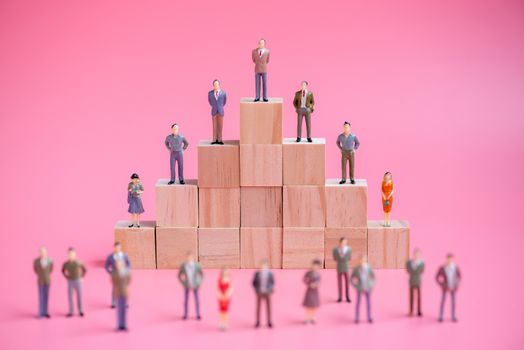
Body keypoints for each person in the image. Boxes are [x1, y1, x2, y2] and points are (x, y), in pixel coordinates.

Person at [104, 242, 131, 308]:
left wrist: (126, 270)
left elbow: (129, 263)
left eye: (119, 247)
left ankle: (125, 302)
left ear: (120, 247)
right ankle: (114, 303)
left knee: (124, 289)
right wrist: (110, 272)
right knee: (114, 289)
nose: (117, 249)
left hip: (123, 274)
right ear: (114, 248)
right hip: (115, 274)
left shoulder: (124, 255)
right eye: (116, 247)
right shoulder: (111, 257)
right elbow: (106, 266)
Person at [61, 247, 87, 317]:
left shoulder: (78, 262)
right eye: (69, 254)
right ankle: (71, 311)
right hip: (70, 281)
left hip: (78, 280)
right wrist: (66, 277)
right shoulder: (66, 264)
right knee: (70, 296)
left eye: (72, 254)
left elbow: (84, 270)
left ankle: (81, 310)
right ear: (68, 255)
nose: (71, 255)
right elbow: (62, 270)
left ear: (75, 254)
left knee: (79, 295)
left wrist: (82, 277)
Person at [436, 253, 461, 322]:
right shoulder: (443, 268)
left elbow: (459, 277)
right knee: (443, 301)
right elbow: (437, 277)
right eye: (448, 259)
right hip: (445, 287)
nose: (449, 260)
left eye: (451, 259)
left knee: (453, 302)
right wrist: (442, 284)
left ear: (452, 260)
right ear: (446, 259)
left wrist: (457, 283)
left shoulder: (455, 267)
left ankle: (453, 316)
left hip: (453, 287)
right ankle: (441, 316)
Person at [350, 254, 375, 323]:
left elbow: (373, 277)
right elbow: (351, 278)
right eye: (360, 260)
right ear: (359, 260)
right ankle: (357, 318)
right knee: (358, 303)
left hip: (367, 287)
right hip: (360, 288)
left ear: (365, 260)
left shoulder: (368, 268)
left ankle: (369, 317)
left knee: (368, 303)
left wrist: (371, 285)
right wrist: (356, 286)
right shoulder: (356, 269)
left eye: (363, 260)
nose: (362, 261)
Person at [178, 252, 203, 320]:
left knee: (197, 300)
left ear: (192, 258)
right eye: (188, 257)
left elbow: (201, 274)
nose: (189, 259)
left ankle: (198, 314)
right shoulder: (184, 266)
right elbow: (179, 275)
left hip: (195, 285)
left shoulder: (197, 265)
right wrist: (183, 282)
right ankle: (185, 314)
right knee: (186, 300)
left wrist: (199, 282)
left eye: (190, 257)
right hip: (187, 285)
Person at [252, 259, 274, 328]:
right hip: (259, 292)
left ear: (267, 266)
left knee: (268, 307)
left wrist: (270, 290)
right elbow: (253, 282)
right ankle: (258, 322)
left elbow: (272, 282)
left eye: (265, 266)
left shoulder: (270, 274)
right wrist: (256, 290)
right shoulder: (257, 274)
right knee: (258, 308)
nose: (263, 267)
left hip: (267, 292)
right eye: (262, 266)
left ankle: (269, 321)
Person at [33, 246, 53, 319]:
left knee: (46, 297)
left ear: (46, 253)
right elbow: (35, 270)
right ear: (40, 253)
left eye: (44, 252)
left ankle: (46, 312)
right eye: (41, 252)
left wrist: (47, 275)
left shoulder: (50, 260)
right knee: (41, 297)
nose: (43, 253)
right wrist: (41, 275)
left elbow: (51, 269)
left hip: (47, 280)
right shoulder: (36, 261)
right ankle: (40, 312)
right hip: (40, 280)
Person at [112, 259, 131, 331]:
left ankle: (124, 324)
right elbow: (113, 282)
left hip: (125, 292)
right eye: (118, 264)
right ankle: (119, 325)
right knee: (119, 310)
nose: (119, 266)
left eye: (120, 264)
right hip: (118, 293)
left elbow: (129, 280)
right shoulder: (114, 273)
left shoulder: (126, 272)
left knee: (124, 310)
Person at [208, 79, 227, 145]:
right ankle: (214, 139)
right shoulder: (210, 93)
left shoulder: (223, 93)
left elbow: (224, 102)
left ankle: (220, 139)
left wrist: (220, 106)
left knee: (220, 125)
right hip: (214, 110)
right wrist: (214, 106)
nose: (216, 85)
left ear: (219, 85)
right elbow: (210, 102)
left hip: (221, 111)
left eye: (217, 84)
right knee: (214, 125)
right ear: (213, 85)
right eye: (215, 84)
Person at [406, 248, 424, 317]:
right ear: (413, 255)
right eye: (415, 254)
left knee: (419, 297)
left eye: (418, 254)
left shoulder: (421, 263)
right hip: (411, 281)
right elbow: (408, 270)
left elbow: (422, 271)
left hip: (418, 281)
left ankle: (419, 310)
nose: (417, 256)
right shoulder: (409, 263)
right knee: (411, 297)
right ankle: (411, 310)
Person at [332, 237, 352, 302]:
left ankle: (347, 296)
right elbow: (335, 258)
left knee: (347, 283)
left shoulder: (349, 249)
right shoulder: (335, 250)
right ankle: (340, 297)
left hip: (346, 267)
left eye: (345, 242)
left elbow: (349, 258)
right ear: (340, 242)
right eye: (342, 242)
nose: (343, 243)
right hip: (339, 267)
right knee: (339, 283)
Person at [303, 259, 322, 324]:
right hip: (309, 291)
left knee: (314, 306)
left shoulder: (318, 274)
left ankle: (312, 317)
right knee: (308, 305)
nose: (315, 267)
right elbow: (304, 279)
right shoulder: (308, 273)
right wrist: (309, 283)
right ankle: (307, 318)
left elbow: (319, 281)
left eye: (316, 266)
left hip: (315, 291)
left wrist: (315, 284)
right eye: (314, 266)